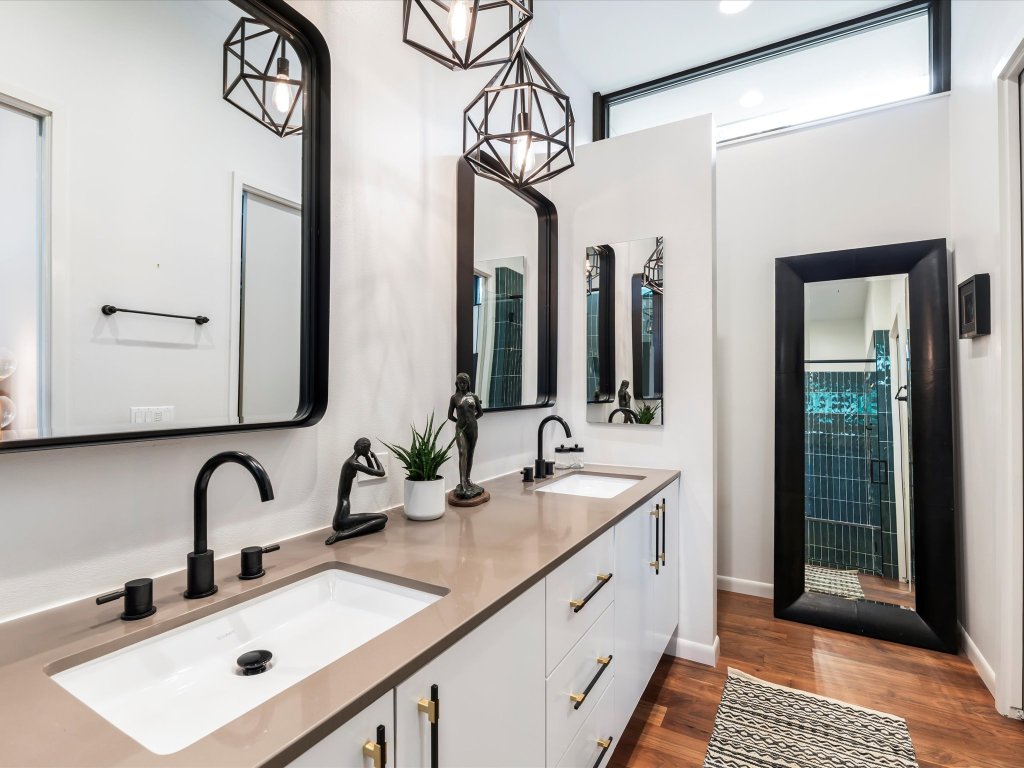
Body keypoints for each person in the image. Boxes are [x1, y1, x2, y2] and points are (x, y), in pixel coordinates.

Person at [325, 437, 388, 545]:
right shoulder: (353, 463)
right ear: (363, 448)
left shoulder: (351, 462)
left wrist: (367, 456)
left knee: (381, 523)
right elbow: (381, 473)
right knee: (383, 518)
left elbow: (371, 469)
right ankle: (343, 535)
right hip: (342, 516)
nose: (369, 451)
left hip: (341, 513)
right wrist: (376, 457)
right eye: (368, 449)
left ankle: (345, 531)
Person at [447, 372, 484, 499]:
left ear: (468, 383)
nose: (462, 385)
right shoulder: (454, 398)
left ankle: (468, 478)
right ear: (457, 383)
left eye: (464, 382)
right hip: (460, 428)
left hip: (472, 428)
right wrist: (459, 423)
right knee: (462, 452)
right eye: (460, 382)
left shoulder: (474, 396)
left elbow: (480, 413)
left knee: (470, 453)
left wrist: (472, 420)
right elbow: (450, 415)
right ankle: (462, 482)